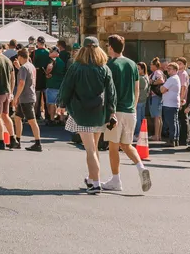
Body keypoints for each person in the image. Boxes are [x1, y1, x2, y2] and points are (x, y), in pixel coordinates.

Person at [59, 37, 116, 194]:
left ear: (83, 49)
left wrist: (62, 104)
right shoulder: (104, 68)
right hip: (100, 111)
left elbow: (67, 88)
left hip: (81, 111)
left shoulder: (76, 67)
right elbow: (111, 93)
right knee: (94, 148)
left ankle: (95, 183)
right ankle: (92, 178)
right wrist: (111, 112)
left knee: (90, 150)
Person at [104, 35, 151, 192]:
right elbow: (137, 88)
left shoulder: (110, 65)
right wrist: (134, 107)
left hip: (115, 111)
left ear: (111, 47)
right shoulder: (132, 64)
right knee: (127, 144)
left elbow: (107, 90)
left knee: (113, 146)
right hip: (130, 110)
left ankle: (116, 180)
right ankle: (141, 168)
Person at [11, 47, 42, 150]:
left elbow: (21, 83)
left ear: (20, 57)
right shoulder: (31, 66)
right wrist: (19, 67)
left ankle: (38, 143)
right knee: (17, 118)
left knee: (32, 121)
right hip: (29, 96)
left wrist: (16, 97)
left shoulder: (24, 67)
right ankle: (17, 141)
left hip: (26, 98)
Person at [160, 61, 184, 147]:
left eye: (169, 69)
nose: (168, 71)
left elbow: (162, 89)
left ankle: (172, 139)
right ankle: (175, 139)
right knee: (175, 121)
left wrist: (162, 88)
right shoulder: (176, 78)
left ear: (175, 70)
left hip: (169, 104)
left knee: (171, 122)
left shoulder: (172, 79)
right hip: (173, 103)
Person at [47, 40, 70, 126]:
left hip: (52, 85)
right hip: (60, 85)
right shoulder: (61, 62)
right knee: (60, 103)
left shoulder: (53, 61)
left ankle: (52, 119)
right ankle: (61, 119)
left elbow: (49, 67)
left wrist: (47, 73)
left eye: (50, 51)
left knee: (52, 103)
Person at [33, 38, 51, 122]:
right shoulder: (48, 52)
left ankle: (37, 115)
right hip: (46, 77)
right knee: (46, 98)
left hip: (37, 76)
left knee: (37, 97)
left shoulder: (34, 53)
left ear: (38, 43)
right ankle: (48, 115)